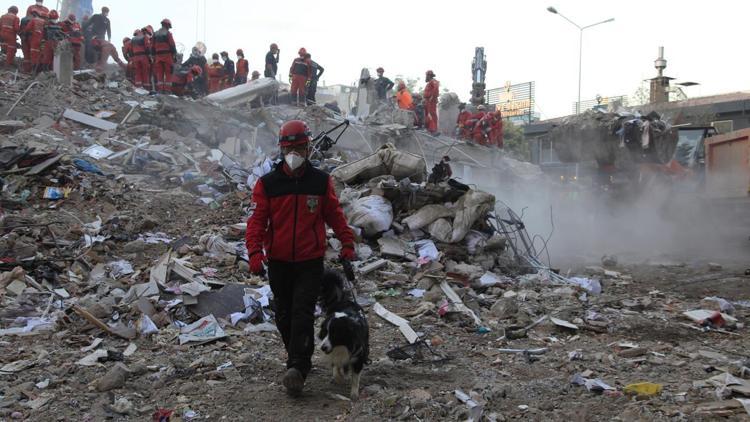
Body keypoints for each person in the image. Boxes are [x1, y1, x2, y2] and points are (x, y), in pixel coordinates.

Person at [245, 119, 356, 398]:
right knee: (283, 315)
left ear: (309, 148)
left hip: (310, 261)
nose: (295, 152)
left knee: (302, 313)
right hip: (280, 261)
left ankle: (298, 367)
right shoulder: (268, 184)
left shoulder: (320, 181)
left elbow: (334, 215)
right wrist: (255, 253)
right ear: (282, 150)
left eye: (300, 147)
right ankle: (297, 355)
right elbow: (257, 221)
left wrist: (347, 243)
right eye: (290, 147)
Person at [151, 18, 176, 93]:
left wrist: (153, 56)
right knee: (169, 73)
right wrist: (174, 55)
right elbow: (172, 45)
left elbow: (152, 46)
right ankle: (167, 90)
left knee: (160, 73)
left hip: (158, 57)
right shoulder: (168, 34)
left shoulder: (155, 34)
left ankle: (160, 89)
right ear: (168, 25)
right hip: (167, 56)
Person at [423, 70, 440, 135]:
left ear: (429, 76)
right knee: (428, 115)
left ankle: (434, 130)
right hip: (428, 101)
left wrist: (432, 98)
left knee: (431, 114)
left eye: (426, 75)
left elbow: (435, 90)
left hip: (431, 102)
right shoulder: (430, 82)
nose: (426, 77)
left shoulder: (433, 81)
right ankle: (429, 129)